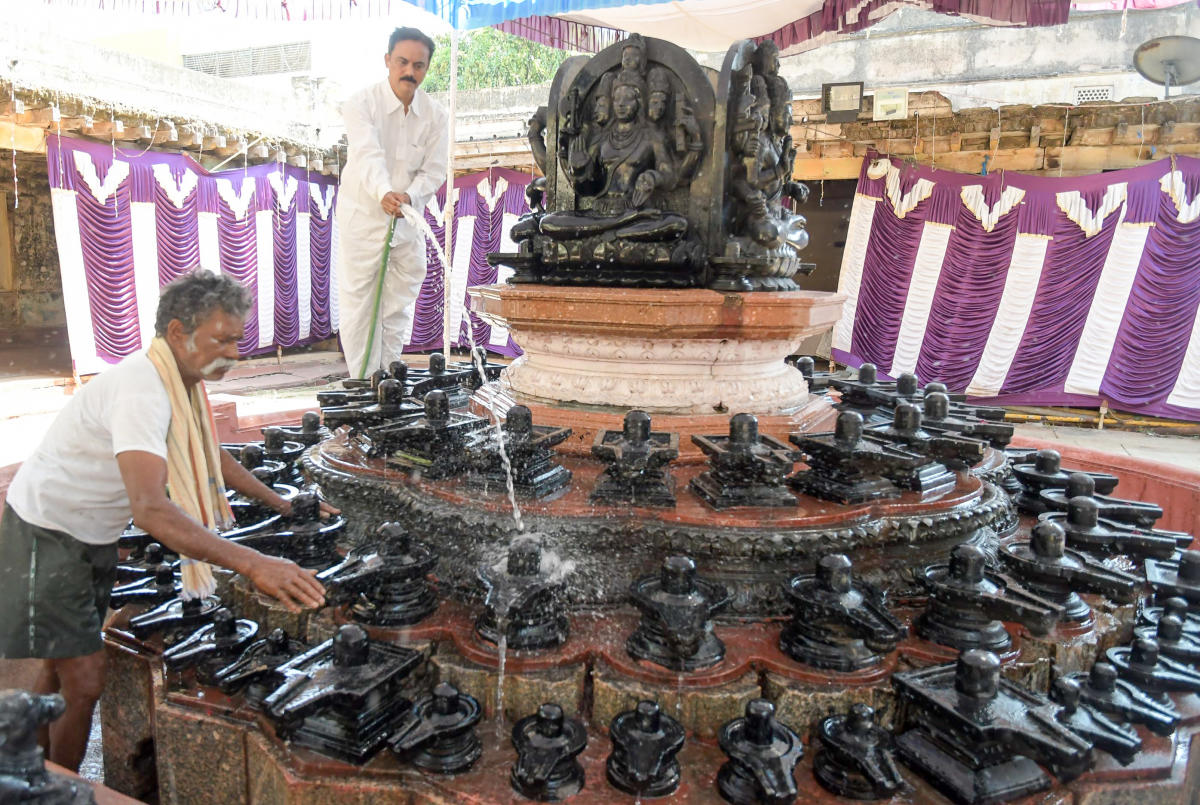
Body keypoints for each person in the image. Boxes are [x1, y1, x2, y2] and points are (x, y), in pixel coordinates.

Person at [0, 270, 332, 772]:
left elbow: (212, 457)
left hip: (88, 533)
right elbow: (151, 509)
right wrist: (252, 562)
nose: (236, 353)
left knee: (58, 660)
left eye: (239, 339)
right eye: (223, 339)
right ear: (178, 332)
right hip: (48, 533)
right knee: (86, 680)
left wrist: (283, 504)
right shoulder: (143, 391)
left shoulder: (180, 380)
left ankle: (28, 765)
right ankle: (62, 787)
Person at [337, 26, 449, 379]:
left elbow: (434, 170)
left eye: (418, 65)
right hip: (364, 219)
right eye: (402, 62)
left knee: (397, 304)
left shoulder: (436, 116)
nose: (409, 72)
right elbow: (366, 154)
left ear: (426, 69)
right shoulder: (360, 104)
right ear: (387, 61)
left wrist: (411, 197)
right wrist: (383, 192)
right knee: (360, 306)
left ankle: (387, 380)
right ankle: (362, 385)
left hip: (407, 221)